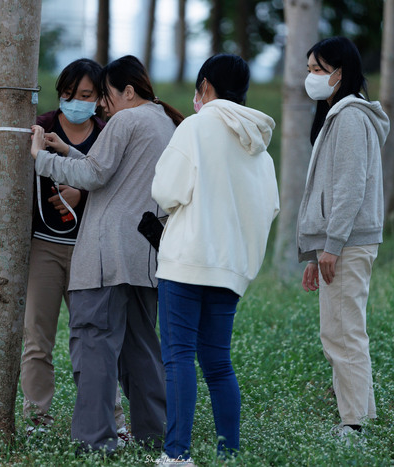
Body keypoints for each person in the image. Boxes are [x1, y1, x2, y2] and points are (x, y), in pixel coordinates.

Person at [29, 55, 184, 453]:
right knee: (142, 352)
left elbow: (94, 177)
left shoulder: (126, 120)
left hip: (104, 257)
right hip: (143, 257)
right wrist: (68, 150)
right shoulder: (163, 123)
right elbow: (114, 174)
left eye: (107, 95)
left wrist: (41, 158)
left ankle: (95, 442)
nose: (101, 104)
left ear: (128, 91)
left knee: (94, 346)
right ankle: (155, 437)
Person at [151, 54, 280, 465]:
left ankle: (177, 456)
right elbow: (270, 208)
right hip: (230, 269)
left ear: (205, 86)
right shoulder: (260, 145)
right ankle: (229, 454)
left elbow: (166, 191)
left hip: (186, 260)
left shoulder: (195, 127)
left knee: (178, 358)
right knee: (218, 364)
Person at [20, 58, 128, 440]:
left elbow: (114, 186)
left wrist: (81, 191)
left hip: (90, 251)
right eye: (68, 94)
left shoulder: (107, 133)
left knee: (96, 341)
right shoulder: (42, 127)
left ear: (100, 98)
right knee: (37, 339)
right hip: (44, 248)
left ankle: (113, 420)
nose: (76, 102)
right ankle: (38, 420)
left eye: (85, 95)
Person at [297, 36, 390, 441]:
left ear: (340, 72)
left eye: (318, 69)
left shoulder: (350, 117)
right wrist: (316, 252)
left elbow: (349, 188)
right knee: (341, 328)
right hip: (340, 242)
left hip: (347, 242)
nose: (311, 77)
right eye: (309, 69)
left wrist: (331, 246)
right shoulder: (340, 114)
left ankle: (353, 423)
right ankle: (359, 416)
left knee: (343, 331)